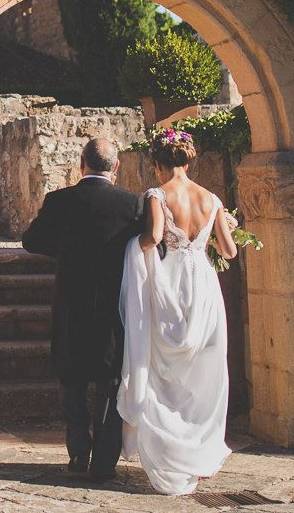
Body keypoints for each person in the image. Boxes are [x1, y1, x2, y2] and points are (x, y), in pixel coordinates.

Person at [117, 127, 236, 496]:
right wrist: (226, 227)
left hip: (170, 284)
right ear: (189, 159)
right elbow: (229, 252)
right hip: (203, 283)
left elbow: (153, 237)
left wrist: (128, 246)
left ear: (157, 164)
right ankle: (197, 451)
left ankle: (169, 452)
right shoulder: (211, 198)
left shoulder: (158, 194)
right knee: (202, 370)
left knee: (160, 366)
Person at [21, 137, 142, 482]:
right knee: (109, 381)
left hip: (71, 302)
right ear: (116, 166)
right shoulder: (130, 205)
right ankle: (104, 462)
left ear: (81, 163)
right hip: (112, 306)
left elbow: (31, 241)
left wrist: (66, 250)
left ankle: (77, 452)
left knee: (71, 377)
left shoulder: (59, 201)